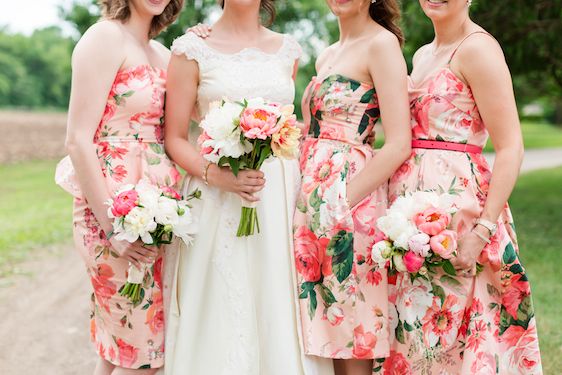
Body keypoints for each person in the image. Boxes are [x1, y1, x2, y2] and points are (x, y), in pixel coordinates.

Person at [162, 1, 333, 374]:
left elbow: (291, 124)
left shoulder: (288, 49)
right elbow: (175, 139)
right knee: (221, 305)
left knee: (276, 299)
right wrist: (218, 176)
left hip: (278, 198)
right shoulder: (189, 50)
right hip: (215, 196)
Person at [381, 0, 543, 373]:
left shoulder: (478, 49)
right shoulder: (422, 54)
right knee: (416, 335)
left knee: (454, 331)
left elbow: (510, 145)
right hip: (410, 220)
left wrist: (482, 230)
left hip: (462, 216)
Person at [54, 0, 183, 374]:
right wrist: (114, 227)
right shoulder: (104, 37)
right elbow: (78, 139)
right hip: (111, 209)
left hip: (157, 214)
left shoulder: (162, 52)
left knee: (124, 344)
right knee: (144, 356)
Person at [292, 1, 411, 374]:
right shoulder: (326, 54)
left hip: (350, 203)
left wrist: (341, 201)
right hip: (310, 201)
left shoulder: (381, 44)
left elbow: (398, 143)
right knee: (323, 333)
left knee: (351, 332)